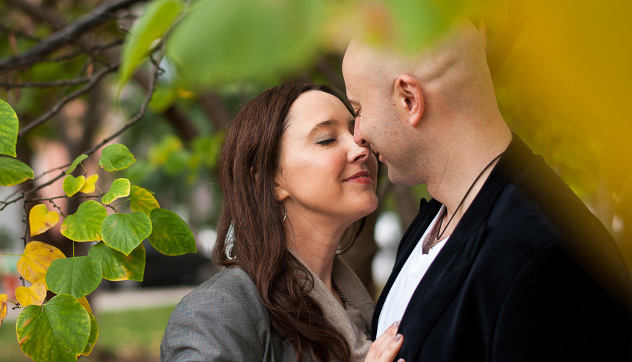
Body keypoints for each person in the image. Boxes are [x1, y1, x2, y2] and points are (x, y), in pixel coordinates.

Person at [342, 22, 632, 361]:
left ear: (409, 99)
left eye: (359, 109)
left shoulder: (550, 257)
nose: (358, 135)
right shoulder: (435, 218)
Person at [161, 83, 404, 362]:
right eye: (326, 139)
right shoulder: (216, 311)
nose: (360, 149)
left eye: (358, 135)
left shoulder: (366, 306)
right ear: (268, 179)